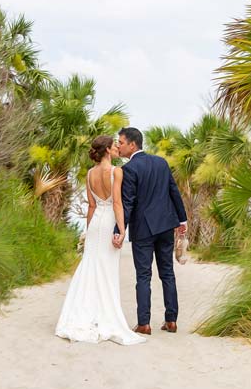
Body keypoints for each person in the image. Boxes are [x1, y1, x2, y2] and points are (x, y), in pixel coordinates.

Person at [55, 135, 146, 345]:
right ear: (107, 150)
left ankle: (84, 313)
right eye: (114, 146)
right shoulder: (116, 171)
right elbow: (117, 203)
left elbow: (91, 206)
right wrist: (122, 230)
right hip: (109, 223)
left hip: (95, 224)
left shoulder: (89, 174)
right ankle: (102, 315)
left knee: (91, 265)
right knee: (106, 269)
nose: (116, 148)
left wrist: (88, 231)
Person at [113, 127, 187, 335]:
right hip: (165, 225)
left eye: (121, 142)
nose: (119, 145)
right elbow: (174, 191)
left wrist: (119, 229)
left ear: (132, 145)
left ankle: (144, 324)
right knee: (167, 273)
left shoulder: (129, 170)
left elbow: (127, 203)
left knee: (143, 275)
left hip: (144, 229)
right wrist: (182, 219)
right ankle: (171, 321)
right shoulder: (161, 163)